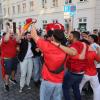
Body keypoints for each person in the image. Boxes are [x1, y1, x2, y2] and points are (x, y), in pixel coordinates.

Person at [31, 23, 81, 100]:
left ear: (53, 37)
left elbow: (34, 35)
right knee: (57, 98)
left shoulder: (47, 46)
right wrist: (58, 45)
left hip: (47, 81)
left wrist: (33, 24)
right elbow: (74, 53)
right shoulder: (66, 49)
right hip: (59, 81)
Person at [52, 31, 87, 100]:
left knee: (65, 88)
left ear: (74, 37)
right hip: (81, 73)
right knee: (76, 88)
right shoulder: (82, 44)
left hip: (73, 72)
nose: (68, 38)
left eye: (70, 36)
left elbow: (75, 53)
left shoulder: (75, 45)